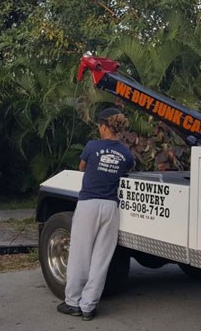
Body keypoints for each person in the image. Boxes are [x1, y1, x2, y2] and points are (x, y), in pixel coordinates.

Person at [57, 107, 134, 321]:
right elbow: (126, 171)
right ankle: (89, 307)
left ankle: (73, 302)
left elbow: (82, 167)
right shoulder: (126, 152)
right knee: (101, 258)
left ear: (102, 126)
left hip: (89, 204)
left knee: (80, 254)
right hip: (110, 207)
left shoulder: (92, 146)